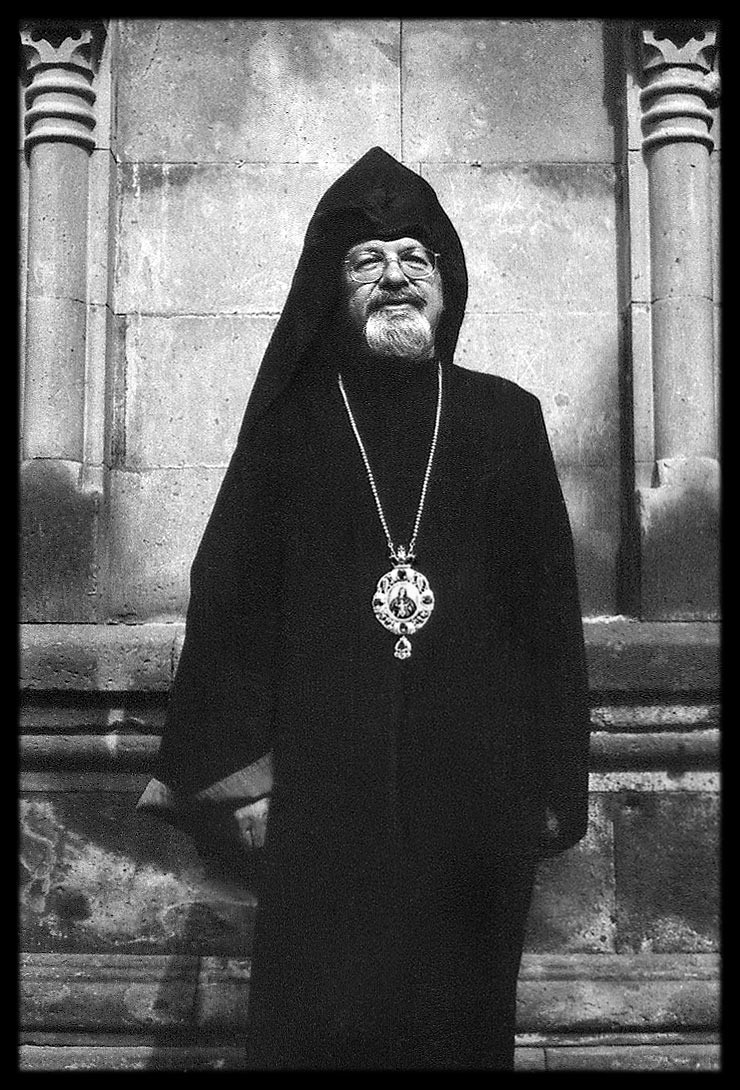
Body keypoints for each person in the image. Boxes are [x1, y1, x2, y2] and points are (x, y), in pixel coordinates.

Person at [136, 146, 591, 1070]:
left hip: (476, 806)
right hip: (318, 806)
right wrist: (244, 777)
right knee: (319, 1031)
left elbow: (548, 613)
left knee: (459, 1035)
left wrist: (553, 781)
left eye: (415, 259)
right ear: (330, 289)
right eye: (367, 261)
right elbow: (229, 596)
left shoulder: (505, 419)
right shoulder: (294, 426)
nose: (395, 278)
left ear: (446, 286)